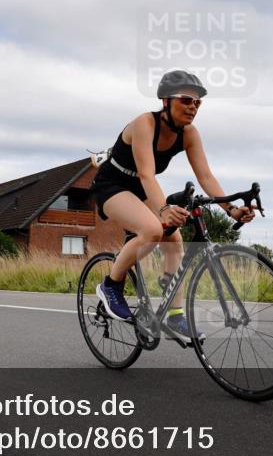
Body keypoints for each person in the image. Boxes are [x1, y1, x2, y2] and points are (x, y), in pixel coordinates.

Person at [90, 70, 255, 343]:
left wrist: (231, 209)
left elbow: (206, 177)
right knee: (153, 230)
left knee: (174, 240)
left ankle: (175, 316)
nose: (193, 107)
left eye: (198, 103)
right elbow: (146, 174)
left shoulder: (189, 134)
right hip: (111, 184)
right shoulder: (146, 123)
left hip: (141, 188)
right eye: (187, 100)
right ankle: (110, 286)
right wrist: (163, 209)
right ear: (166, 101)